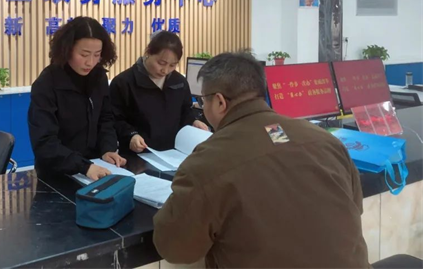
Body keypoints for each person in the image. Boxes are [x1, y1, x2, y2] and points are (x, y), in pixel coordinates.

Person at [153, 51, 370, 269]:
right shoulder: (326, 140)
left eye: (203, 101)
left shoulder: (206, 163)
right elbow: (355, 207)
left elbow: (174, 248)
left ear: (219, 102)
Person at [28, 17, 126, 181]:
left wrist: (107, 148)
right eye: (84, 54)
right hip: (57, 173)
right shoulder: (47, 83)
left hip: (96, 166)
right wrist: (83, 166)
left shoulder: (98, 77)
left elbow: (105, 118)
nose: (90, 62)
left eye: (97, 55)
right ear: (67, 50)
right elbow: (44, 142)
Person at [110, 31, 208, 153]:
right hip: (139, 153)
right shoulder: (124, 82)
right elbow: (114, 119)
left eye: (172, 65)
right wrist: (131, 135)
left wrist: (193, 121)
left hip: (173, 153)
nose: (165, 70)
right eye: (161, 63)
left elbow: (186, 111)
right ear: (148, 52)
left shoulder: (179, 82)